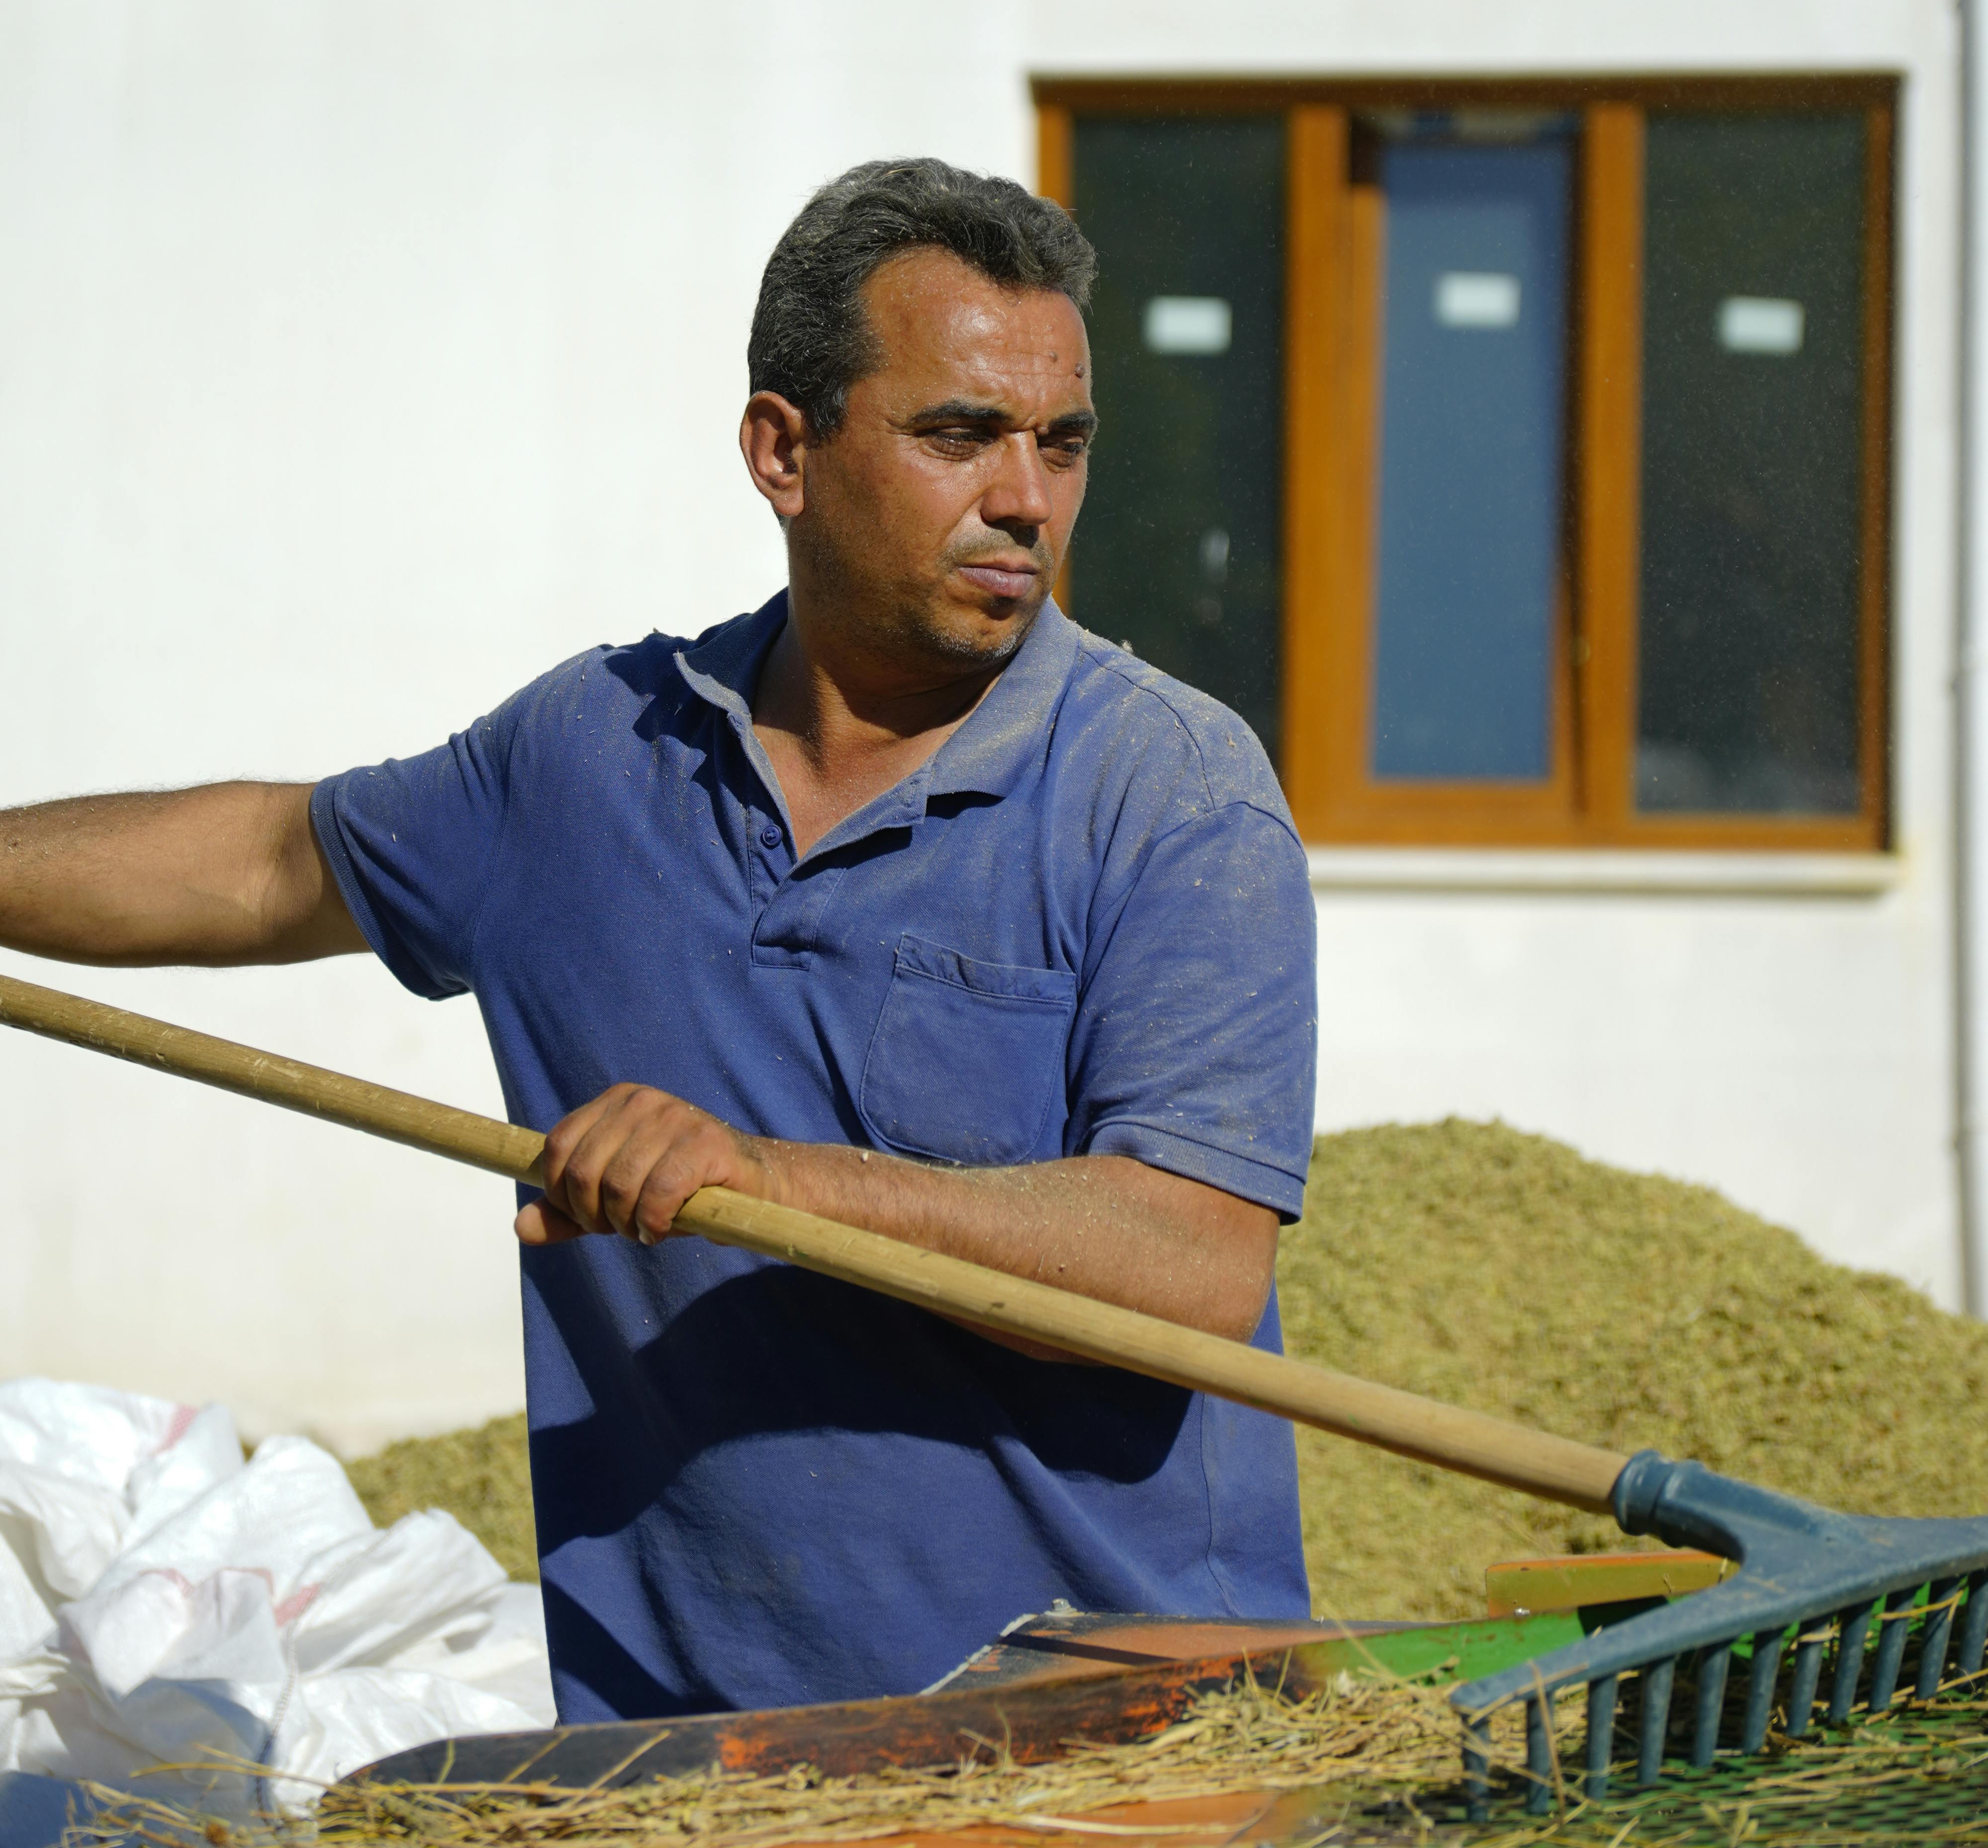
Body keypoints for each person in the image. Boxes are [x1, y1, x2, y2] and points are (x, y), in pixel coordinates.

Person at [0, 160, 1319, 1720]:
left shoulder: (1171, 793)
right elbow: (266, 863)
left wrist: (760, 1179)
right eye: (959, 435)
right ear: (784, 449)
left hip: (1118, 1756)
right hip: (685, 1775)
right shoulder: (588, 758)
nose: (1027, 500)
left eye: (1063, 444)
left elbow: (1187, 1264)